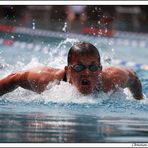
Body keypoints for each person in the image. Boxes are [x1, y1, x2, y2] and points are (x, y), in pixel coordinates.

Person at [0, 42, 144, 100]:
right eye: (79, 67)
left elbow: (135, 78)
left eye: (93, 67)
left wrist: (139, 99)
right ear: (68, 70)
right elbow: (15, 78)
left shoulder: (112, 79)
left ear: (100, 70)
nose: (87, 73)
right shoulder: (48, 81)